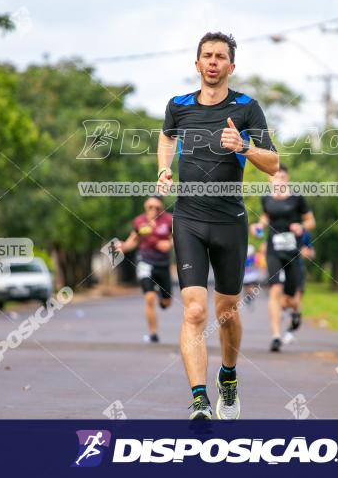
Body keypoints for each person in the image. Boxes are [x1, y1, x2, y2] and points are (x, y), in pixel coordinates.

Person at [157, 32, 279, 420]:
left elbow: (273, 163)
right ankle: (198, 398)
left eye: (220, 56)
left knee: (226, 310)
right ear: (197, 64)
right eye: (206, 56)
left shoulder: (247, 108)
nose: (213, 62)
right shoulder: (178, 106)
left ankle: (228, 376)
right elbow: (165, 137)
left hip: (230, 220)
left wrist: (243, 147)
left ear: (231, 66)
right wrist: (164, 168)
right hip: (189, 217)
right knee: (194, 311)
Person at [252, 165, 315, 352]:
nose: (278, 179)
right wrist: (257, 226)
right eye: (275, 176)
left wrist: (302, 227)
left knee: (289, 299)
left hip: (292, 252)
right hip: (273, 251)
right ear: (270, 180)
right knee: (275, 290)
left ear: (287, 179)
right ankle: (276, 336)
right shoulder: (266, 199)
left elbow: (311, 221)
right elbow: (265, 218)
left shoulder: (297, 199)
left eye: (282, 176)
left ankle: (296, 311)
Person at [117, 196, 173, 343]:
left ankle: (163, 299)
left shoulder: (169, 220)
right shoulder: (140, 222)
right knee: (149, 298)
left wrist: (169, 243)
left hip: (163, 264)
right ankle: (153, 334)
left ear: (162, 208)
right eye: (150, 207)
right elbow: (133, 240)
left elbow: (178, 237)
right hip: (145, 262)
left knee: (167, 303)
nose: (153, 210)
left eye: (157, 208)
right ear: (145, 207)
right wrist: (123, 247)